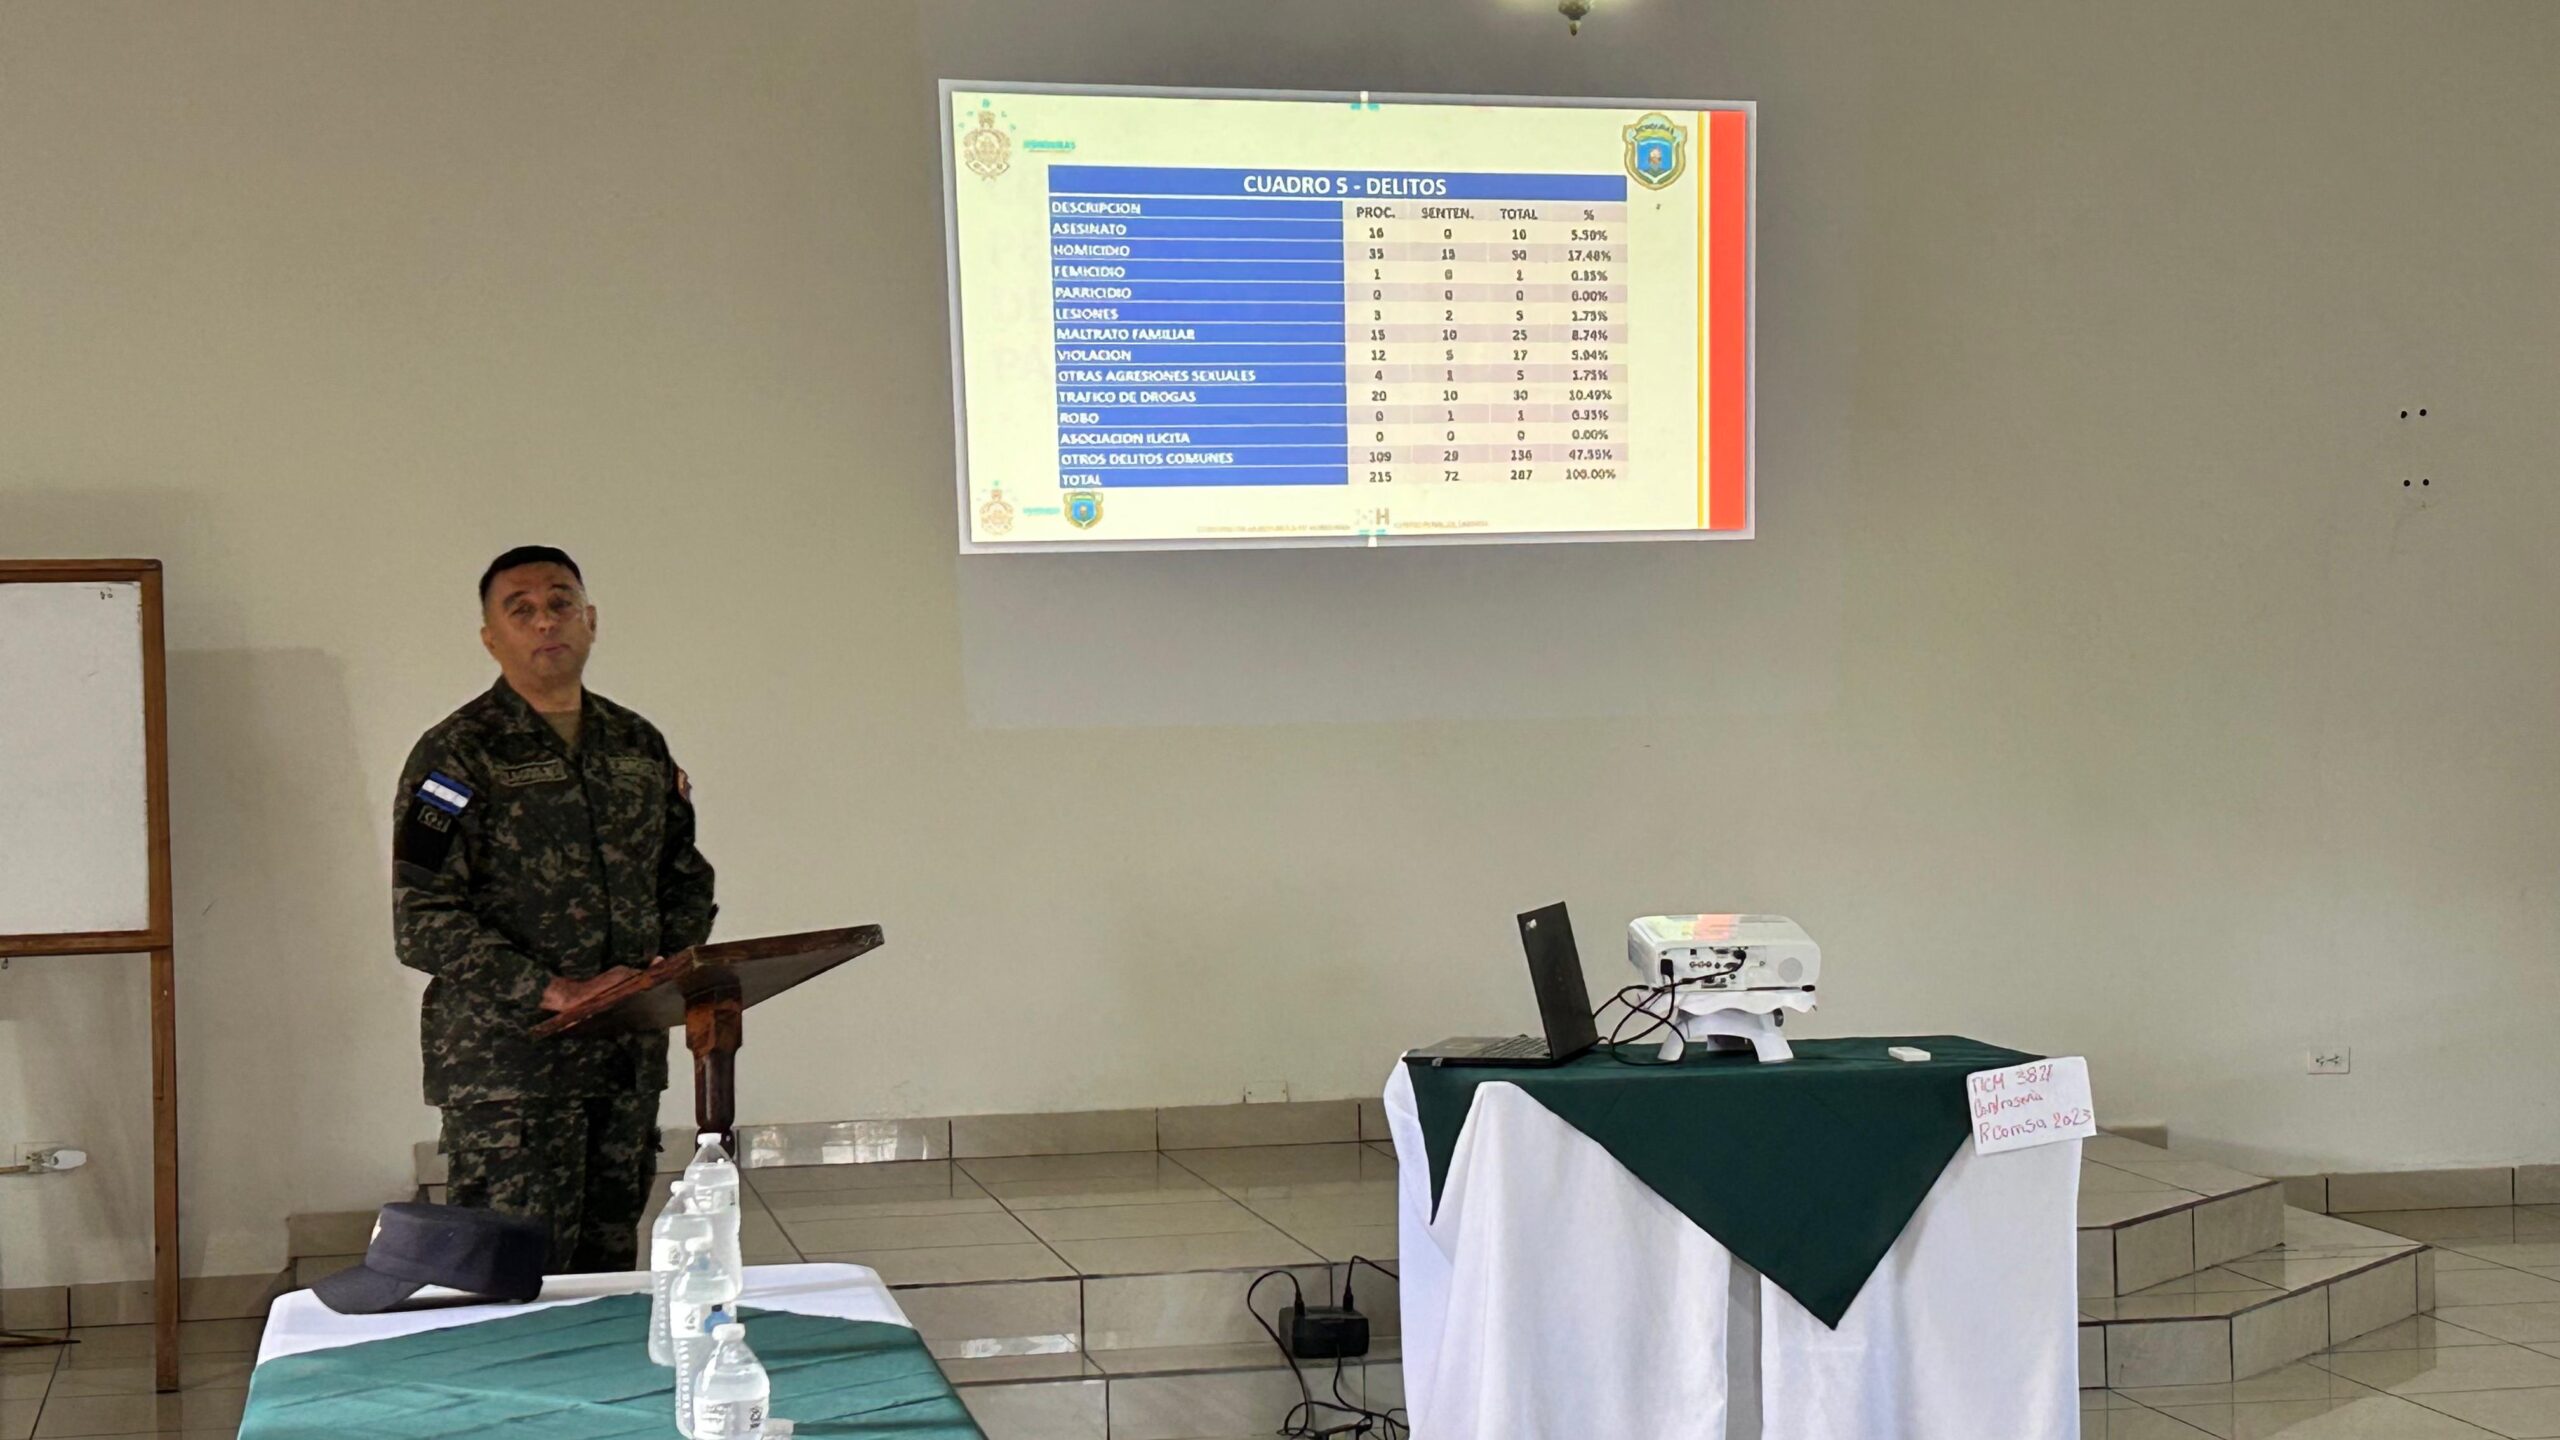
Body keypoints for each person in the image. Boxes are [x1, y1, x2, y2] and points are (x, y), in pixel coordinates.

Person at [392, 546, 715, 1271]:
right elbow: (423, 919)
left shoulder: (636, 744)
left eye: (560, 603)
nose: (546, 621)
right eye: (522, 610)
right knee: (511, 1279)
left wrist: (662, 972)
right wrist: (556, 990)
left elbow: (684, 876)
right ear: (491, 638)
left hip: (623, 1060)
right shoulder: (456, 753)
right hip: (510, 1069)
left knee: (606, 1277)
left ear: (590, 620)